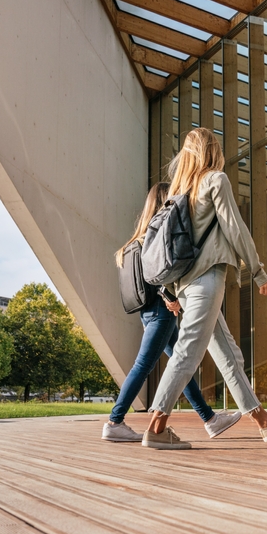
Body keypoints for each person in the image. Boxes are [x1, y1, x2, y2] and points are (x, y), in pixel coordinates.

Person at [143, 128, 267, 450]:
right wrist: (258, 272)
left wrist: (171, 292)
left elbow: (171, 248)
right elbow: (235, 227)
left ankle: (264, 422)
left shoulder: (179, 191)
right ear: (213, 150)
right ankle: (157, 426)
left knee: (229, 353)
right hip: (206, 282)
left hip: (186, 286)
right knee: (188, 351)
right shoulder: (215, 179)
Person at [104, 182, 241, 442]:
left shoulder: (134, 240)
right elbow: (156, 274)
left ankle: (210, 419)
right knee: (145, 365)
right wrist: (169, 297)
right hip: (161, 311)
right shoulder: (153, 237)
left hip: (147, 312)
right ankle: (115, 420)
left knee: (180, 366)